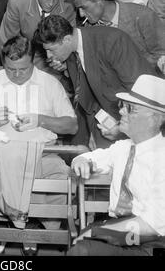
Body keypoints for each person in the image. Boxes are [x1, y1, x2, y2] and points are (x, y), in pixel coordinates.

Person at [0, 35, 78, 254]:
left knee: (63, 176)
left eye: (23, 69)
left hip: (42, 154)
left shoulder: (50, 83)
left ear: (33, 60)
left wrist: (40, 119)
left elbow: (71, 126)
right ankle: (4, 227)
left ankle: (28, 227)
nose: (16, 75)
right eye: (10, 69)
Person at [69, 74, 165, 256]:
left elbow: (153, 225)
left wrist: (101, 232)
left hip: (150, 242)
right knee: (82, 242)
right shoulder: (123, 148)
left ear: (154, 119)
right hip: (122, 231)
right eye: (123, 106)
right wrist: (82, 160)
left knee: (83, 249)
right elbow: (93, 158)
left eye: (131, 109)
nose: (121, 112)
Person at [33, 15, 158, 149]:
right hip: (104, 124)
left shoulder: (113, 41)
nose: (48, 56)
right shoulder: (70, 51)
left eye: (51, 50)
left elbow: (144, 93)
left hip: (138, 124)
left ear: (67, 39)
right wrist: (92, 133)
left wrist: (123, 126)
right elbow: (88, 98)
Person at [66, 0, 165, 69]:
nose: (81, 14)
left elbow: (161, 53)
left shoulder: (142, 16)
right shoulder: (88, 28)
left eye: (83, 7)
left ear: (99, 0)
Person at [0, 0, 75, 70]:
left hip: (55, 65)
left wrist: (66, 65)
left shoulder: (68, 7)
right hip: (24, 60)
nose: (51, 3)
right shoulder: (17, 3)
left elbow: (71, 44)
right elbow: (8, 43)